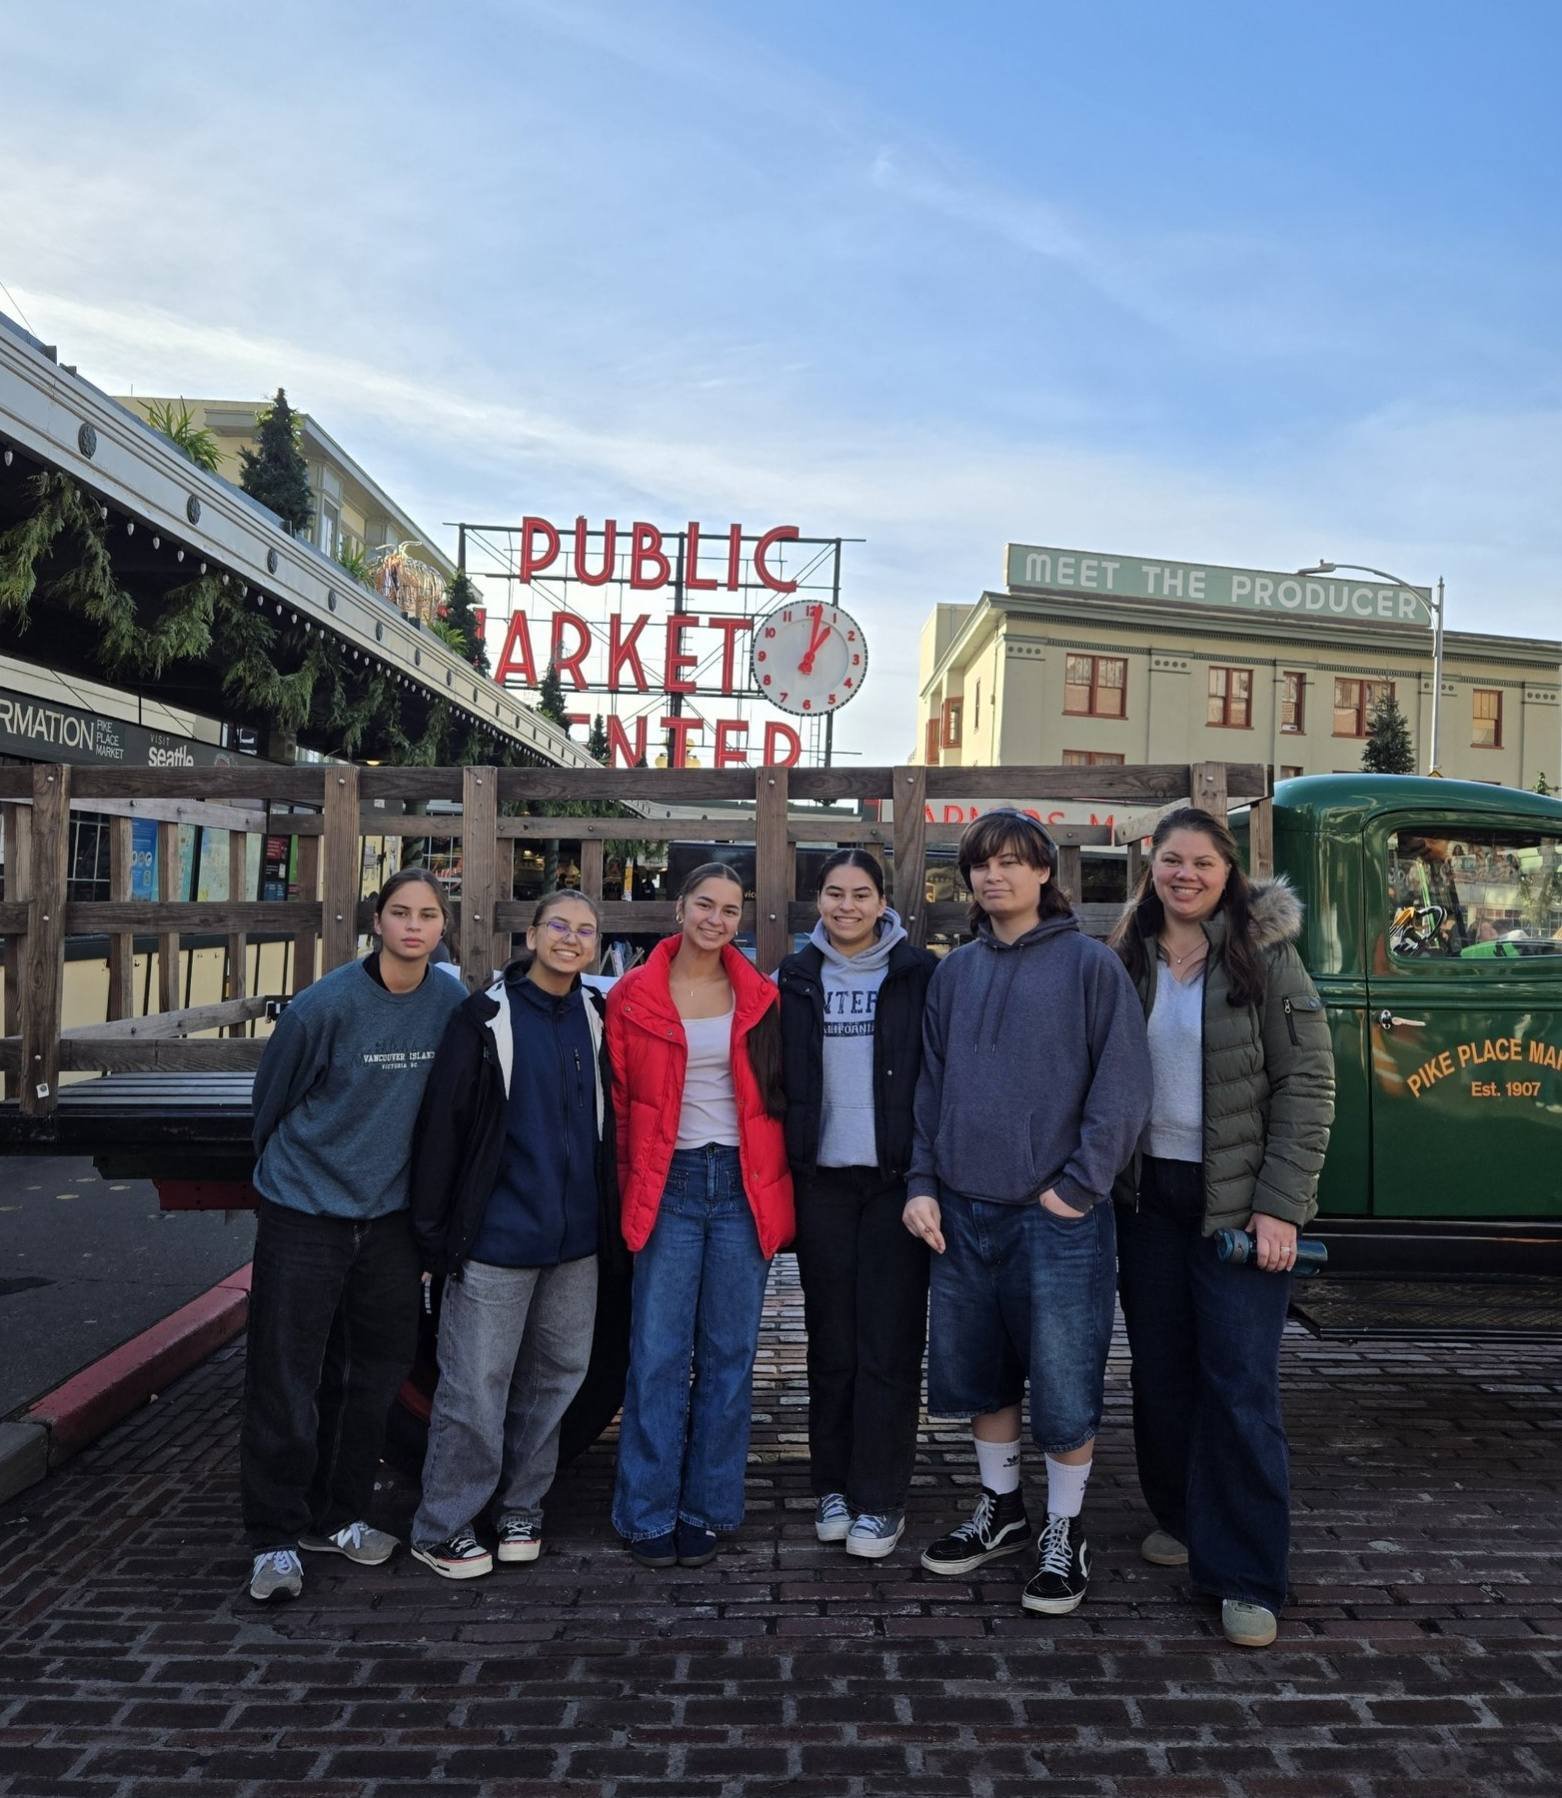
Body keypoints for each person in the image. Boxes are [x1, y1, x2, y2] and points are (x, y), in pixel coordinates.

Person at [904, 810, 1150, 1616]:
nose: (994, 876)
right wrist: (922, 1183)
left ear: (1045, 872)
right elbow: (930, 1088)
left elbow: (1123, 1088)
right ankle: (1002, 1509)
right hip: (962, 1210)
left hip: (1059, 1219)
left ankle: (1065, 1529)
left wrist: (1078, 1187)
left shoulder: (1090, 967)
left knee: (1065, 1380)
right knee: (984, 1376)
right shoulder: (954, 973)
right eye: (981, 864)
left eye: (1012, 862)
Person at [1109, 807, 1334, 1649]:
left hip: (1237, 1203)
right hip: (1146, 1201)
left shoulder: (1263, 954)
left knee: (1239, 1385)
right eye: (1173, 860)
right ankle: (1182, 1515)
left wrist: (1281, 1204)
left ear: (1228, 871)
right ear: (1152, 866)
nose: (1187, 875)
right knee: (1162, 1376)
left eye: (1203, 862)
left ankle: (1246, 1574)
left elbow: (1308, 1082)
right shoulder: (1127, 953)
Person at [241, 870, 464, 1603]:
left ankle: (337, 1517)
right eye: (400, 912)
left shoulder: (449, 1002)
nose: (414, 926)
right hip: (307, 1212)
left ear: (443, 927)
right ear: (377, 921)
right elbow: (271, 1102)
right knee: (287, 1377)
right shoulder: (325, 1006)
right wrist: (291, 1185)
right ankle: (274, 1538)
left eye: (427, 914)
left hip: (389, 1220)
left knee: (374, 1375)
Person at [406, 889, 623, 1579]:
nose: (571, 938)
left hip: (575, 1242)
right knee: (475, 1387)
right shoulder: (485, 1017)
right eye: (558, 925)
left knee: (555, 1381)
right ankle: (443, 1526)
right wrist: (433, 1238)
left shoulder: (596, 1014)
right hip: (497, 1239)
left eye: (585, 930)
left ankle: (520, 1509)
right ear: (531, 936)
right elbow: (443, 1129)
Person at [607, 863, 792, 1568]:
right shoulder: (632, 996)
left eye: (730, 910)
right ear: (680, 908)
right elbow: (621, 1108)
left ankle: (708, 1507)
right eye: (705, 904)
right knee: (657, 1354)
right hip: (671, 1184)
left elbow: (776, 1099)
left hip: (742, 1184)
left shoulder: (761, 997)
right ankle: (646, 1510)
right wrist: (628, 1194)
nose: (717, 919)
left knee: (730, 1355)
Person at [778, 849, 937, 1558]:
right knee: (832, 1342)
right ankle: (833, 1486)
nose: (847, 906)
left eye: (862, 894)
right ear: (819, 900)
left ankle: (880, 1497)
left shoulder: (919, 973)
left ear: (883, 903)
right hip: (823, 1183)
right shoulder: (794, 976)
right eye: (835, 893)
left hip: (896, 1183)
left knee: (889, 1344)